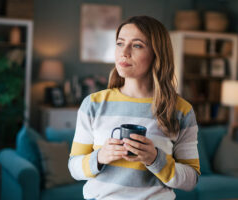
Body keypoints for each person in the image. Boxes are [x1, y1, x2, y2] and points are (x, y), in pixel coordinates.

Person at [68, 16, 200, 200]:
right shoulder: (93, 104)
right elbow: (74, 168)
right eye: (120, 43)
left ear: (157, 54)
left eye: (137, 45)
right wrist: (99, 157)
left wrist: (155, 159)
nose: (124, 52)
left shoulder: (181, 110)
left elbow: (191, 179)